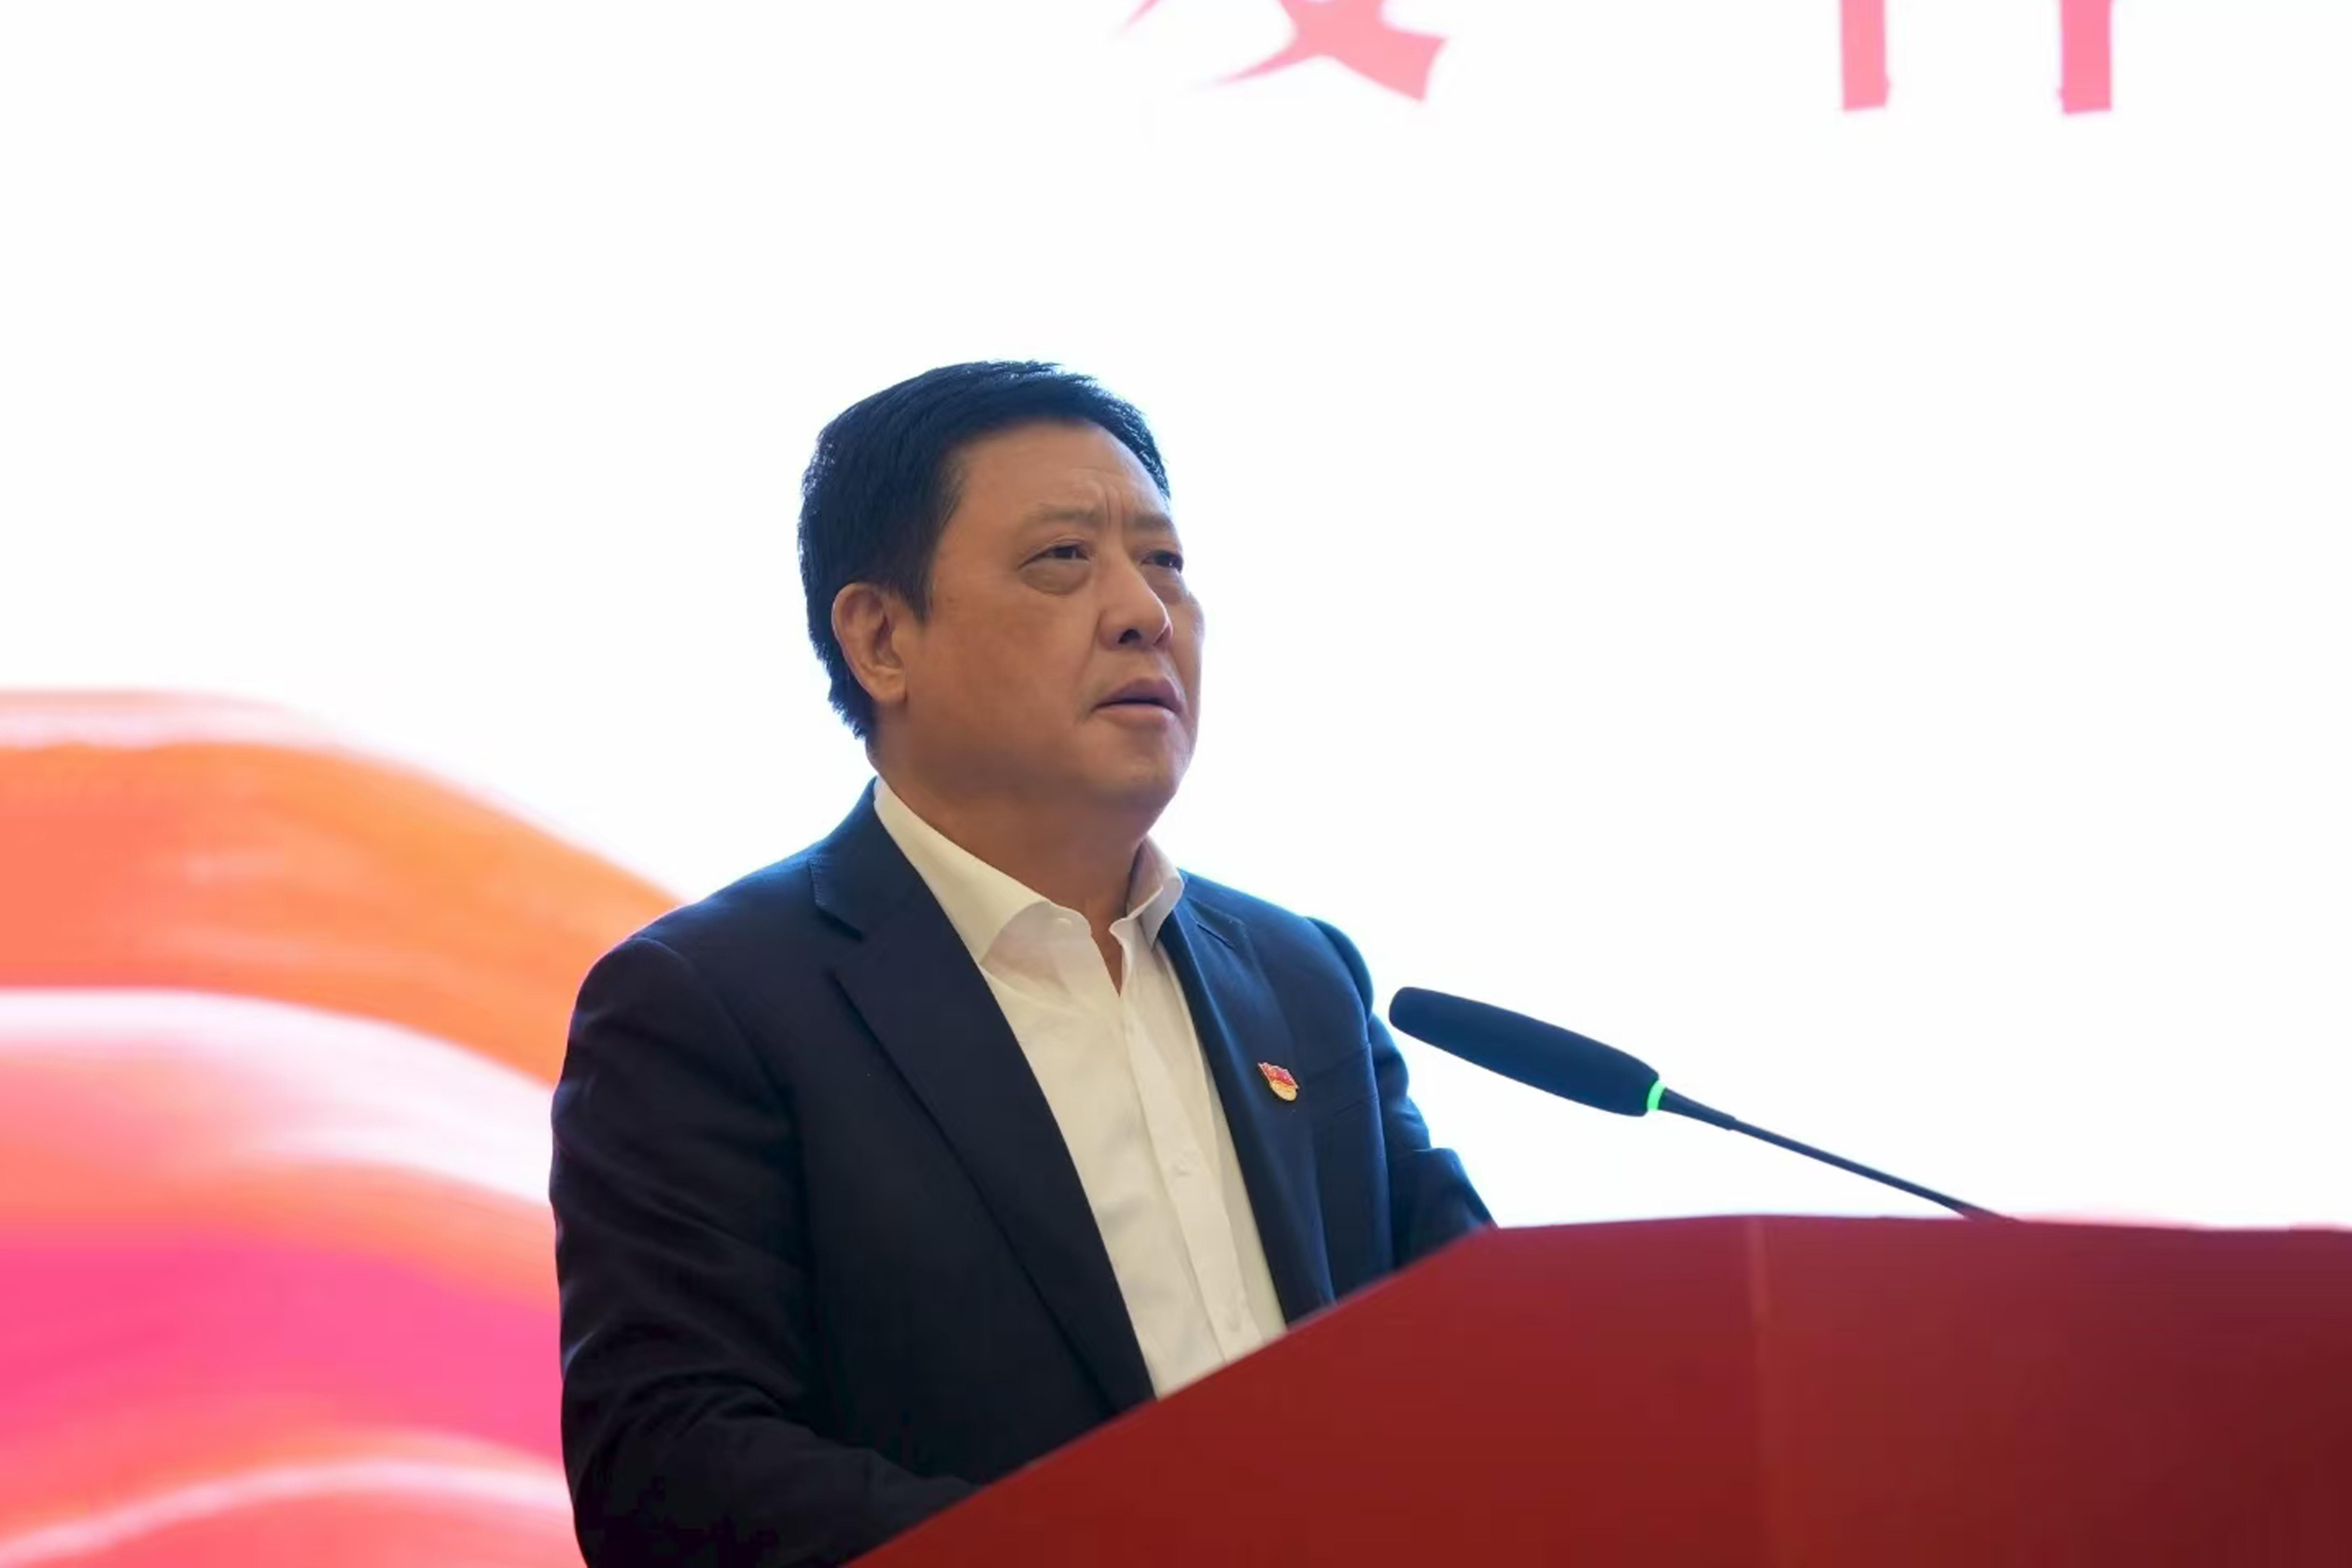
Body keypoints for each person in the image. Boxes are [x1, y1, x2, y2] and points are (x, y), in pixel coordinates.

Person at [550, 361, 1490, 1566]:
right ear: (881, 639)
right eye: (1063, 559)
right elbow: (671, 1470)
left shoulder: (1302, 980)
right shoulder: (714, 1006)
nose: (1144, 611)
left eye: (1165, 561)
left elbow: (1478, 1343)